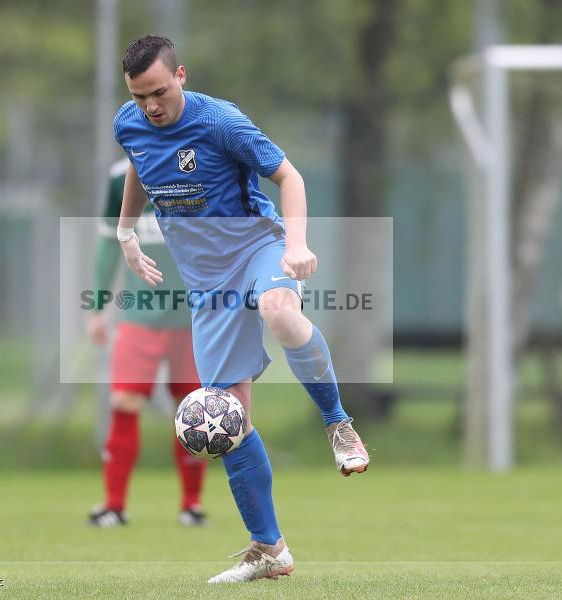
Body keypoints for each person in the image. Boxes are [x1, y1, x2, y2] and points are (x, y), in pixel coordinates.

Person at [113, 36, 370, 583]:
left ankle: (338, 423)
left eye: (159, 92)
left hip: (259, 247)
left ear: (181, 75)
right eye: (140, 97)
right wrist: (126, 232)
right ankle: (270, 549)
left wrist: (296, 245)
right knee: (226, 420)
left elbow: (290, 177)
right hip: (207, 285)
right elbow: (138, 162)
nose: (151, 106)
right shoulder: (129, 123)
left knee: (279, 309)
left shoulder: (220, 121)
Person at [87, 157, 208, 528]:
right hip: (140, 315)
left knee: (192, 411)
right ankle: (114, 506)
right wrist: (97, 308)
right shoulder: (120, 177)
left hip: (194, 316)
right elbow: (109, 242)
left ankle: (191, 506)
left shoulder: (201, 165)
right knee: (124, 400)